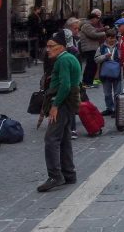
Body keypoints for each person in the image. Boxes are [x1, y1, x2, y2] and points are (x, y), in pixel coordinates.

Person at [37, 31, 82, 192]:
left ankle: (55, 176)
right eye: (47, 46)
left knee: (51, 139)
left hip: (62, 103)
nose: (48, 49)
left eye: (51, 46)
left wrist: (55, 105)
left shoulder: (63, 60)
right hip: (68, 102)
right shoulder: (68, 58)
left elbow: (65, 85)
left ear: (61, 47)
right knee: (64, 139)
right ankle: (69, 173)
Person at [94, 30, 121, 115]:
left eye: (114, 38)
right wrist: (105, 56)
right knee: (107, 93)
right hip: (105, 73)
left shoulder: (119, 46)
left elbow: (123, 57)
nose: (112, 40)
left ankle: (117, 110)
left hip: (117, 73)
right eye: (110, 38)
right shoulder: (101, 47)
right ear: (106, 38)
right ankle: (109, 108)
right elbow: (96, 59)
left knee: (117, 93)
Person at [79, 10, 107, 87]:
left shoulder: (88, 25)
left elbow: (95, 31)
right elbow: (93, 34)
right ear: (93, 19)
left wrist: (103, 29)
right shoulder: (87, 25)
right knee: (91, 65)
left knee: (91, 65)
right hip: (90, 48)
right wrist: (105, 33)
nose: (97, 21)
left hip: (91, 47)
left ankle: (87, 82)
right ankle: (87, 82)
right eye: (97, 19)